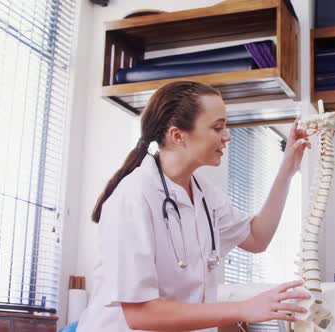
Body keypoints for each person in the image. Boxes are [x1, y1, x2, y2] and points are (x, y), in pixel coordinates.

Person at [76, 81, 311, 332]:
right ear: (178, 135)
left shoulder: (203, 192)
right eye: (217, 127)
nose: (227, 135)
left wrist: (288, 169)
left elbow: (256, 237)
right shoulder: (133, 196)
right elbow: (140, 313)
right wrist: (243, 308)